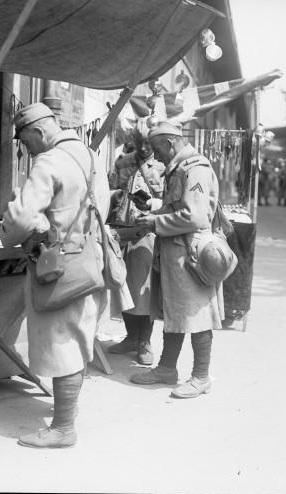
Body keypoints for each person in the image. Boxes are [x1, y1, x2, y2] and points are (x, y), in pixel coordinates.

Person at [0, 102, 110, 448]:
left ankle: (63, 428)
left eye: (25, 140)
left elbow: (19, 220)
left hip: (58, 265)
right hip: (90, 260)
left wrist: (22, 231)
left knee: (61, 341)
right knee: (78, 337)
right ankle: (66, 418)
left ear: (40, 131)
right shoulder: (91, 157)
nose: (26, 148)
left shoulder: (49, 161)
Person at [129, 120, 223, 399]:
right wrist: (156, 210)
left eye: (158, 150)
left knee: (196, 314)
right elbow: (180, 204)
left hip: (190, 253)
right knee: (175, 310)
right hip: (176, 250)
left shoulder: (196, 169)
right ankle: (167, 368)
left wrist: (156, 223)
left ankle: (201, 376)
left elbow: (195, 216)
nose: (156, 156)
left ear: (170, 143)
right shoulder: (180, 167)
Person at [107, 121, 165, 365]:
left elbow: (169, 201)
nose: (143, 148)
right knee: (123, 285)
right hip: (121, 231)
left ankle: (144, 341)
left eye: (148, 144)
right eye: (140, 143)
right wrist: (116, 195)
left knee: (144, 290)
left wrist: (152, 203)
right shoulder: (122, 162)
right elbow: (107, 190)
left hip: (146, 233)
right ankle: (131, 337)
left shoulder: (163, 165)